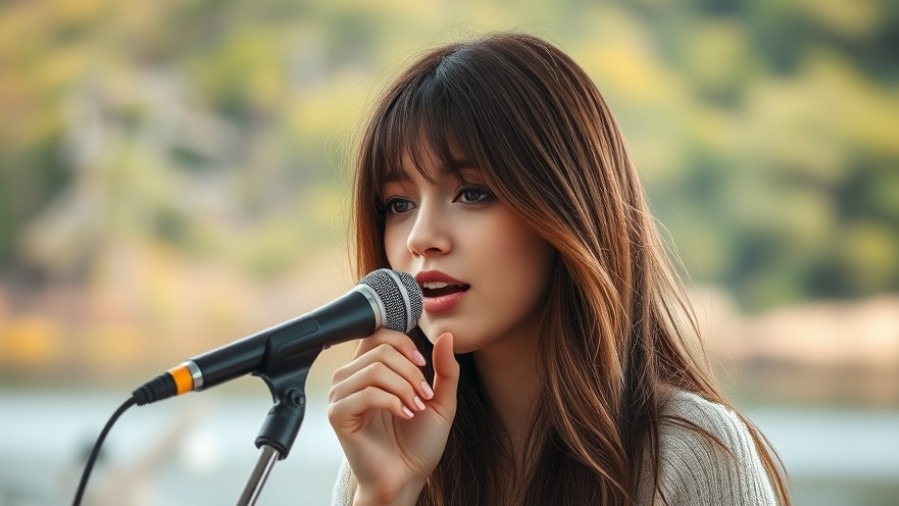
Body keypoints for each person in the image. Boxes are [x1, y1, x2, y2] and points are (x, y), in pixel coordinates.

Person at [326, 32, 790, 505]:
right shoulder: (385, 447)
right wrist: (385, 493)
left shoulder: (689, 455)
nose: (421, 237)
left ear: (565, 207)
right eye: (399, 203)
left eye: (472, 193)